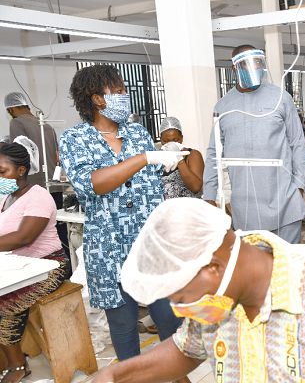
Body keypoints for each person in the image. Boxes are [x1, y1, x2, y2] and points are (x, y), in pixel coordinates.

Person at [92, 198, 305, 383]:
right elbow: (184, 352)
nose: (180, 310)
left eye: (180, 298)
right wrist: (115, 376)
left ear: (212, 268)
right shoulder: (216, 304)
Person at [59, 65, 189, 368]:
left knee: (170, 317)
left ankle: (177, 373)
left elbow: (147, 177)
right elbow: (92, 184)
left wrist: (165, 161)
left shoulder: (137, 132)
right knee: (124, 323)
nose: (124, 96)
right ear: (97, 98)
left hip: (150, 243)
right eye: (117, 91)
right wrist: (145, 158)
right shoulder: (75, 138)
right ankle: (132, 374)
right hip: (109, 246)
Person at [204, 45, 305, 244]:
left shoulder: (281, 98)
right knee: (255, 269)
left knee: (286, 266)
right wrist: (209, 193)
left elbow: (297, 143)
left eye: (258, 62)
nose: (255, 67)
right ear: (235, 68)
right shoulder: (222, 106)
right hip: (246, 206)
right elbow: (213, 153)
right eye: (247, 64)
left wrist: (299, 186)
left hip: (285, 200)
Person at [0, 138, 68, 383]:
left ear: (21, 170)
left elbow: (23, 237)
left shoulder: (38, 196)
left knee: (4, 302)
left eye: (1, 171)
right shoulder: (5, 198)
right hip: (17, 265)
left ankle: (17, 365)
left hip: (49, 266)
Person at [5, 92, 70, 273]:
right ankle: (66, 262)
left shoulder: (16, 123)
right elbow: (56, 156)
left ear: (11, 109)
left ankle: (56, 267)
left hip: (34, 184)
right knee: (58, 225)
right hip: (53, 183)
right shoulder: (47, 126)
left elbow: (18, 153)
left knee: (38, 231)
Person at [159, 116, 204, 199]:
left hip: (188, 209)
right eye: (166, 141)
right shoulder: (157, 158)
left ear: (182, 138)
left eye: (175, 140)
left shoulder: (192, 155)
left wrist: (180, 160)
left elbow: (196, 187)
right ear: (160, 139)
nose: (170, 144)